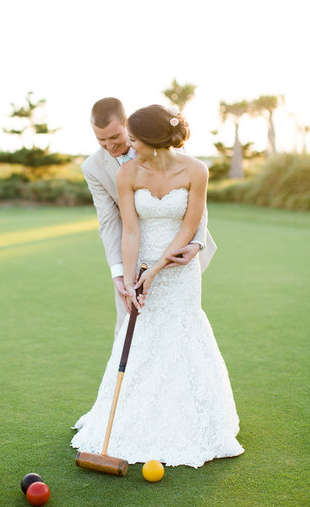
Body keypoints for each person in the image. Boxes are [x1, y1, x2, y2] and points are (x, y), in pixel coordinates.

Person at [71, 104, 244, 468]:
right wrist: (131, 277)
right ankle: (130, 421)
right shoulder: (127, 173)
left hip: (180, 265)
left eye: (129, 139)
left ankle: (190, 422)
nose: (127, 146)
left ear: (149, 140)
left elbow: (190, 223)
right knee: (141, 338)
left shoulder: (197, 169)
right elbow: (127, 229)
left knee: (183, 333)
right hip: (140, 259)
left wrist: (160, 266)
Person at [82, 97, 217, 335]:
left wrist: (196, 242)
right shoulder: (94, 167)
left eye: (115, 137)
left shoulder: (164, 139)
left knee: (182, 331)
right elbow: (110, 221)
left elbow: (195, 204)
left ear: (126, 124)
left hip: (180, 254)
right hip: (135, 256)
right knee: (132, 332)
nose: (110, 145)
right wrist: (121, 274)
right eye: (101, 140)